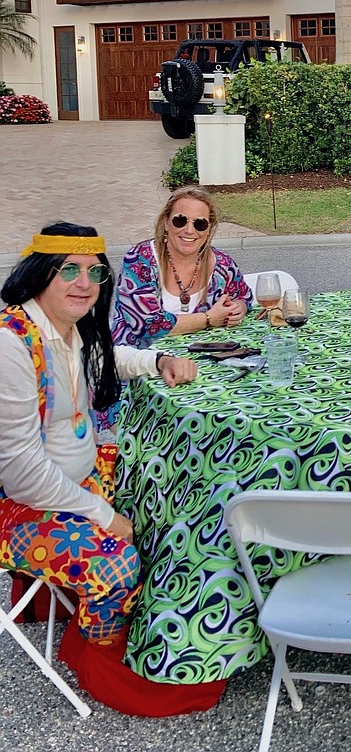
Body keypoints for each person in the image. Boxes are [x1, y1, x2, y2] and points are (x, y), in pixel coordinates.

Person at [0, 223, 197, 644]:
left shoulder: (70, 324)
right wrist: (105, 515)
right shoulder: (10, 344)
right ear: (41, 272)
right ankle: (100, 652)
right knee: (118, 565)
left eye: (96, 272)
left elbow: (109, 358)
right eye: (70, 270)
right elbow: (21, 474)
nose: (85, 284)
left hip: (77, 479)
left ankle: (170, 616)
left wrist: (158, 360)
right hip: (16, 504)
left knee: (169, 480)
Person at [112, 185, 253, 347]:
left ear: (209, 229)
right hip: (140, 358)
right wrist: (209, 319)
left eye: (200, 224)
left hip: (201, 357)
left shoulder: (222, 264)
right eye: (180, 220)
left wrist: (238, 308)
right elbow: (146, 325)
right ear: (166, 222)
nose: (189, 230)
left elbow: (244, 296)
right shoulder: (140, 260)